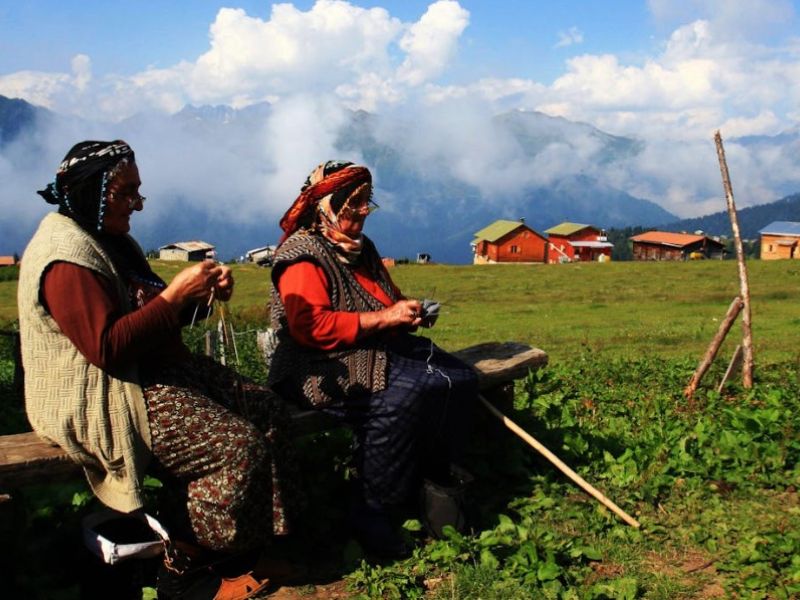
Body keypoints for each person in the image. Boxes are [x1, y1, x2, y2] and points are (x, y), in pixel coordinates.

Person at [18, 140, 298, 599]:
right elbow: (106, 348)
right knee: (234, 447)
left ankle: (248, 547)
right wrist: (174, 297)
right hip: (103, 392)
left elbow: (149, 318)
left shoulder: (112, 240)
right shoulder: (66, 256)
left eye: (138, 193)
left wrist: (199, 297)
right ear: (93, 192)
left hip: (143, 371)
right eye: (125, 194)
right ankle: (187, 568)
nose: (136, 205)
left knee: (268, 411)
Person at [268, 160, 478, 557]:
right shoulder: (303, 257)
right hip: (316, 366)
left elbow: (385, 299)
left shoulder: (361, 250)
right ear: (328, 206)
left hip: (369, 350)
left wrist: (406, 310)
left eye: (368, 203)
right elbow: (309, 328)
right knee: (400, 398)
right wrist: (385, 318)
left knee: (458, 378)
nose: (363, 212)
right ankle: (372, 511)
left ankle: (434, 486)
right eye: (354, 205)